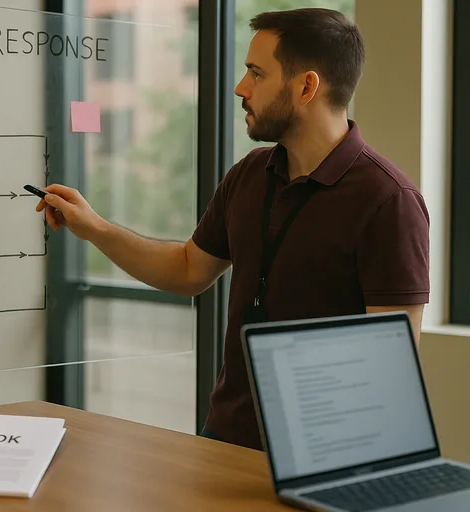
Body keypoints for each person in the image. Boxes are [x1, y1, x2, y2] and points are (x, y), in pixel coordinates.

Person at [34, 8, 430, 451]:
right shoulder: (249, 174)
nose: (240, 88)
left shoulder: (389, 201)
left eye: (256, 74)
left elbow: (389, 365)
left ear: (307, 87)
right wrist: (96, 228)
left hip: (324, 456)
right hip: (225, 439)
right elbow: (187, 269)